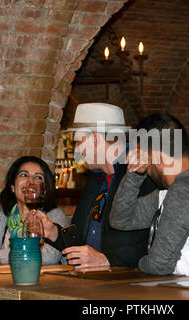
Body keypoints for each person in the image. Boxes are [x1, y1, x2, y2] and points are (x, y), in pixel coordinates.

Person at [29, 102, 155, 270]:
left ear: (95, 138)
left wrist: (106, 260)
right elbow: (82, 245)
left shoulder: (143, 175)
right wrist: (53, 232)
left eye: (78, 142)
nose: (76, 151)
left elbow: (153, 244)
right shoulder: (96, 180)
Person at [109, 113, 189, 278]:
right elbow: (121, 220)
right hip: (182, 289)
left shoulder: (187, 190)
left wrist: (138, 265)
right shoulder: (173, 191)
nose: (147, 171)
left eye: (145, 161)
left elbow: (159, 264)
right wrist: (134, 173)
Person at [0, 156, 68, 265]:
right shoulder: (3, 216)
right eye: (24, 175)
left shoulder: (54, 215)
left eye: (38, 177)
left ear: (44, 189)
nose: (31, 182)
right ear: (12, 187)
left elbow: (50, 256)